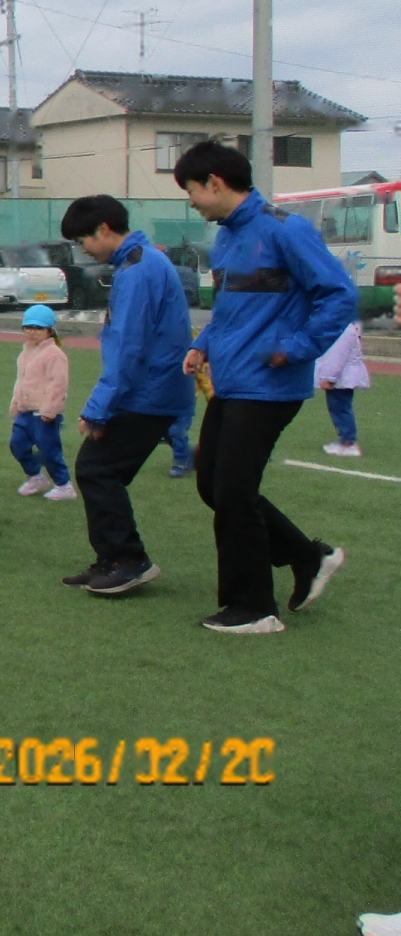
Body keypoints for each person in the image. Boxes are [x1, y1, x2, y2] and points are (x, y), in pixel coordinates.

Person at [177, 140, 352, 633]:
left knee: (233, 493)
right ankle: (308, 556)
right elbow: (232, 307)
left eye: (191, 191)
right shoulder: (227, 238)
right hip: (232, 381)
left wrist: (295, 348)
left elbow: (339, 295)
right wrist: (203, 343)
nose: (191, 202)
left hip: (270, 387)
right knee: (212, 484)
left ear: (215, 183)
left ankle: (254, 608)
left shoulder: (286, 230)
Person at [54, 195, 197, 597]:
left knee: (97, 469)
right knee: (99, 469)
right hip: (152, 388)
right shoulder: (142, 262)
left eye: (83, 240)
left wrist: (99, 410)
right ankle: (112, 559)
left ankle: (129, 560)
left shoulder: (138, 271)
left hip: (149, 392)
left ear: (103, 229)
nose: (83, 250)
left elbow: (128, 348)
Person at [11, 304, 75, 501]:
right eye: (28, 327)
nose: (32, 331)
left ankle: (64, 485)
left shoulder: (55, 355)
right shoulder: (25, 353)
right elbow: (21, 381)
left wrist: (49, 410)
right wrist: (16, 402)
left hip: (44, 413)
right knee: (17, 444)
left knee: (49, 450)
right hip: (25, 411)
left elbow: (58, 385)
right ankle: (35, 476)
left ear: (49, 330)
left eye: (38, 328)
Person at [316, 318, 370, 459]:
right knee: (339, 407)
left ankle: (347, 443)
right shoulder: (347, 328)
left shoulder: (344, 330)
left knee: (340, 408)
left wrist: (328, 377)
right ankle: (345, 440)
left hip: (342, 377)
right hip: (343, 376)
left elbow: (337, 356)